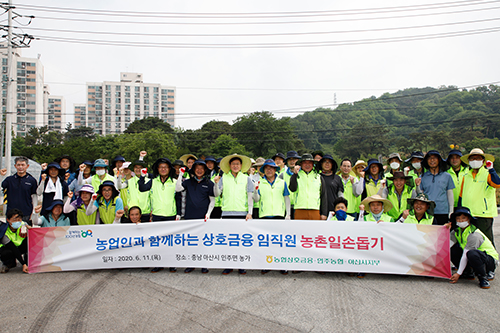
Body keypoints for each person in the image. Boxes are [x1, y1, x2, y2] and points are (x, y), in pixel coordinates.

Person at [214, 153, 254, 275]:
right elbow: (216, 194)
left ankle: (241, 265)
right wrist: (216, 183)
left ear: (241, 165)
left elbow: (250, 197)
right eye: (233, 164)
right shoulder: (224, 178)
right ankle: (228, 265)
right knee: (228, 241)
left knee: (240, 241)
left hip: (242, 214)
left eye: (237, 164)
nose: (235, 166)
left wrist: (250, 212)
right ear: (229, 165)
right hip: (226, 213)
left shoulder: (247, 178)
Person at [176, 160, 215, 274]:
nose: (199, 170)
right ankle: (191, 264)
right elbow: (178, 188)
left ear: (205, 170)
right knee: (190, 242)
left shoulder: (209, 183)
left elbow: (212, 201)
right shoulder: (188, 182)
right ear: (193, 170)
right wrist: (180, 174)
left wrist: (208, 214)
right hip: (189, 217)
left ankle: (204, 264)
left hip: (203, 218)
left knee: (203, 242)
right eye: (197, 168)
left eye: (202, 168)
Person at [448, 206, 498, 289]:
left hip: (489, 260)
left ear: (469, 219)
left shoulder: (474, 234)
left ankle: (483, 278)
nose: (461, 221)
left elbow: (465, 254)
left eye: (464, 218)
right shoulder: (457, 231)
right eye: (458, 218)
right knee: (452, 250)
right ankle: (467, 273)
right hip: (473, 257)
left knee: (471, 254)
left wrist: (458, 273)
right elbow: (446, 246)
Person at [459, 148, 500, 245]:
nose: (474, 161)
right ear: (469, 161)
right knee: (470, 240)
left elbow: (497, 184)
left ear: (483, 161)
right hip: (469, 214)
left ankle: (491, 259)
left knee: (486, 241)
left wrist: (491, 170)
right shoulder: (466, 175)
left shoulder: (488, 174)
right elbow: (462, 195)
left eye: (477, 158)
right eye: (472, 159)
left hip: (483, 214)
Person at [138, 158, 181, 224]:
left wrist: (178, 213)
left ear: (169, 169)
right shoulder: (153, 181)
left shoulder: (175, 182)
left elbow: (178, 199)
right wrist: (142, 177)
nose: (163, 169)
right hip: (156, 215)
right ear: (157, 169)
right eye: (161, 167)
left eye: (165, 167)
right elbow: (142, 188)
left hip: (171, 215)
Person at [419, 150, 455, 225]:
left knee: (442, 235)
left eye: (434, 158)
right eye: (429, 158)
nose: (432, 160)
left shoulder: (447, 176)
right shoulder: (422, 177)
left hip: (443, 211)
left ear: (439, 160)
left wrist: (451, 211)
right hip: (428, 212)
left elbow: (450, 194)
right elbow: (420, 194)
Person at [289, 153, 328, 220]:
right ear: (301, 164)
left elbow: (323, 196)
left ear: (313, 164)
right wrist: (295, 174)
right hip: (299, 209)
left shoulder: (318, 177)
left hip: (315, 209)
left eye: (310, 162)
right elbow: (292, 188)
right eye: (305, 163)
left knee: (315, 230)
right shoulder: (296, 175)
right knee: (299, 230)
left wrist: (324, 213)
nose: (307, 165)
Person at [1, 156, 38, 224]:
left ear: (27, 166)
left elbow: (34, 196)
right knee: (10, 234)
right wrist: (1, 175)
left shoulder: (32, 180)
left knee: (24, 233)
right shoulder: (9, 180)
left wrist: (33, 212)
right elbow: (1, 187)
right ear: (15, 166)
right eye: (18, 165)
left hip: (26, 213)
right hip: (11, 213)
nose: (20, 167)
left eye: (23, 165)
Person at [0, 208, 29, 273]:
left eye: (19, 219)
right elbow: (13, 248)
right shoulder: (4, 231)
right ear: (8, 220)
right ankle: (8, 263)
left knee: (29, 241)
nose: (17, 222)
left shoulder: (23, 226)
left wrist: (28, 229)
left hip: (19, 247)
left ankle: (28, 262)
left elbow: (26, 223)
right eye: (14, 219)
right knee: (6, 253)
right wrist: (23, 264)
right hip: (9, 249)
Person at [283, 151, 301, 219]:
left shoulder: (303, 174)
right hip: (286, 207)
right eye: (290, 159)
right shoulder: (282, 175)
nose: (292, 161)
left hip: (299, 206)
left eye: (294, 159)